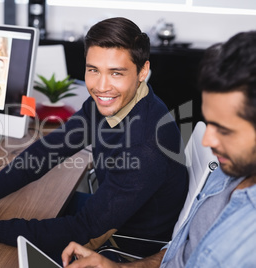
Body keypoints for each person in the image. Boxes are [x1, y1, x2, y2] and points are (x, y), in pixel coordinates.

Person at [0, 17, 188, 263]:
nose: (101, 86)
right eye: (93, 70)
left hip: (126, 246)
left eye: (116, 73)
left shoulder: (144, 144)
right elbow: (48, 151)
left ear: (143, 71)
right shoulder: (112, 102)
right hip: (113, 216)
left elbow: (83, 229)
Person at [61, 30, 256, 267]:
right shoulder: (229, 172)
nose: (207, 140)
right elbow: (178, 254)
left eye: (224, 130)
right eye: (209, 123)